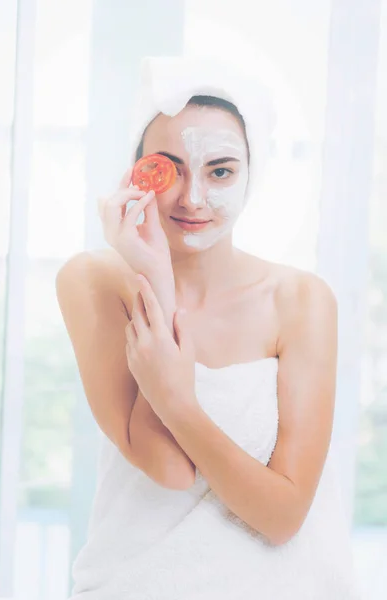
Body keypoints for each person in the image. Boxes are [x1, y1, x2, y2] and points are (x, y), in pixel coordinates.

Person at [56, 56, 361, 599]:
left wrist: (178, 399)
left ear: (251, 174)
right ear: (136, 174)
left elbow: (283, 516)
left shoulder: (300, 300)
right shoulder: (93, 281)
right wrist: (155, 275)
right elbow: (168, 470)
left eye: (220, 170)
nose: (192, 198)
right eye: (169, 169)